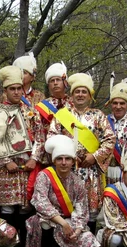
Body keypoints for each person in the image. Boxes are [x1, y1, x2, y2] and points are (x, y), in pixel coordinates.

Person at [47, 72, 115, 233]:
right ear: (71, 95)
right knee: (67, 206)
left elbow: (110, 139)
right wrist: (66, 154)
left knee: (90, 210)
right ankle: (67, 242)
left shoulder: (98, 115)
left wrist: (95, 156)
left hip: (90, 170)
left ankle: (88, 246)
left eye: (84, 92)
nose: (80, 95)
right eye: (77, 91)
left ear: (90, 96)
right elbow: (51, 137)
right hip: (67, 170)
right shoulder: (62, 115)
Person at [0, 65, 45, 246]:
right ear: (5, 91)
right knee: (7, 206)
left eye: (19, 88)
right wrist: (6, 161)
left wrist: (34, 158)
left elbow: (40, 137)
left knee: (25, 205)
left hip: (27, 164)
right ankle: (7, 243)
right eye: (12, 89)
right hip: (6, 167)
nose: (16, 92)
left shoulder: (31, 111)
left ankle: (24, 243)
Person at [24, 135, 100, 247]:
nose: (64, 162)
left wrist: (77, 229)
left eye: (67, 159)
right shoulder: (44, 176)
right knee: (45, 224)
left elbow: (81, 208)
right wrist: (64, 224)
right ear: (54, 161)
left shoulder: (77, 181)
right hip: (48, 218)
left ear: (73, 161)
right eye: (59, 159)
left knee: (86, 236)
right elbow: (41, 203)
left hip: (69, 219)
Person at [34, 62, 72, 142]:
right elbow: (39, 136)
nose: (55, 83)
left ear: (65, 82)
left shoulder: (74, 104)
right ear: (49, 85)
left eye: (58, 80)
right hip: (49, 149)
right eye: (52, 81)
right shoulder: (41, 107)